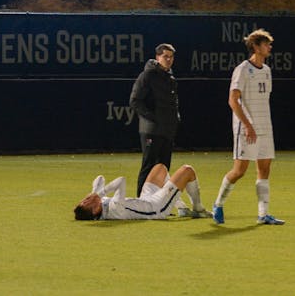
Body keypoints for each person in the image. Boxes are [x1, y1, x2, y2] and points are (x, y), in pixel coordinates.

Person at [212, 29, 285, 225]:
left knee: (264, 168)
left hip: (265, 127)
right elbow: (233, 100)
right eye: (266, 44)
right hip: (246, 129)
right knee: (239, 171)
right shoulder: (243, 69)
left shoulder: (267, 70)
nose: (270, 47)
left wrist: (261, 125)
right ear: (255, 47)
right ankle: (218, 204)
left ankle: (263, 214)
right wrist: (247, 125)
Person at [73, 163, 209, 220]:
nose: (85, 200)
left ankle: (181, 208)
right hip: (157, 207)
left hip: (145, 198)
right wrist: (98, 194)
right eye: (86, 203)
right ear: (95, 211)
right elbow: (121, 181)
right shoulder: (114, 209)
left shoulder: (99, 205)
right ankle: (198, 209)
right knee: (187, 170)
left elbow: (100, 178)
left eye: (83, 201)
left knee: (159, 168)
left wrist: (94, 191)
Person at [130, 43, 180, 196]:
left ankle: (157, 202)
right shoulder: (148, 76)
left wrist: (175, 118)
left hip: (167, 130)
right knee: (149, 165)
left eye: (171, 57)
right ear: (158, 57)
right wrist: (153, 118)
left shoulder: (170, 78)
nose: (169, 60)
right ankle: (140, 201)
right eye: (165, 56)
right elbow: (135, 101)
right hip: (151, 130)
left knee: (163, 168)